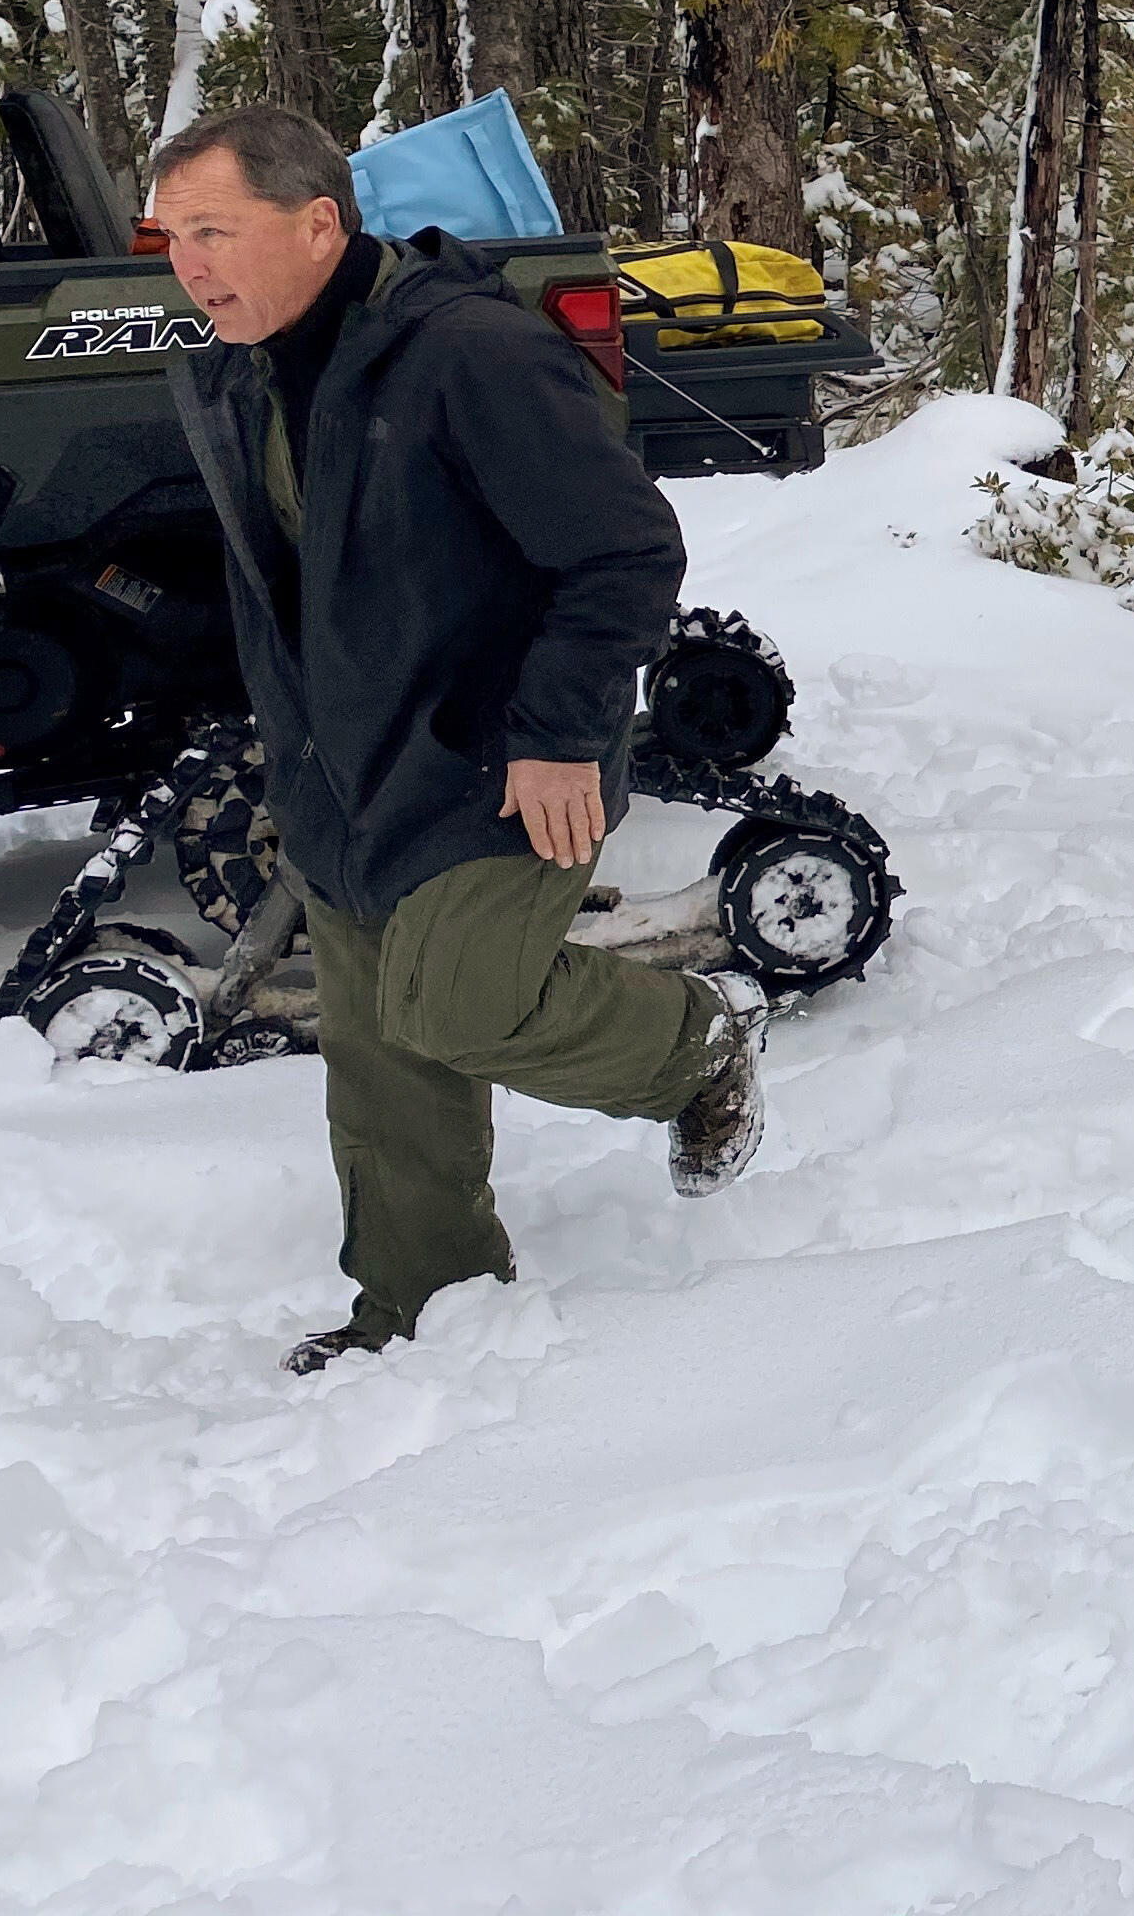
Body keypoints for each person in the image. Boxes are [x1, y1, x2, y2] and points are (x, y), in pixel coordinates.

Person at [150, 104, 757, 1377]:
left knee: (460, 1003)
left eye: (215, 230)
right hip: (347, 767)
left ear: (319, 223)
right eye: (173, 237)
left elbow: (622, 553)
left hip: (500, 757)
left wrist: (555, 737)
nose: (190, 264)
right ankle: (422, 1310)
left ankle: (696, 1041)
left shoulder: (471, 354)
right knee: (379, 1060)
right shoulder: (243, 361)